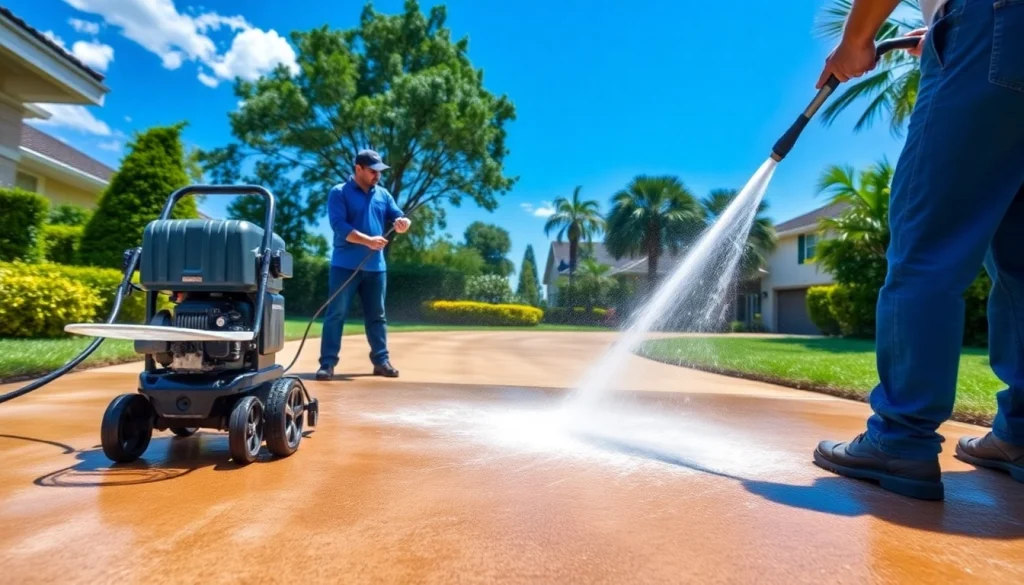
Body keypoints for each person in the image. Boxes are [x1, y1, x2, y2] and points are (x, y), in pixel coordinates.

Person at [812, 0, 1024, 501]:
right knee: (1020, 262)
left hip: (992, 23)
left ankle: (900, 440)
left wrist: (856, 39)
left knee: (927, 247)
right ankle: (1020, 435)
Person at [316, 149, 411, 381]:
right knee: (336, 314)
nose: (377, 175)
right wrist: (368, 241)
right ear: (358, 168)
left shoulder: (383, 194)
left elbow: (399, 216)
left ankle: (381, 362)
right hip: (344, 266)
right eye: (372, 171)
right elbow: (339, 225)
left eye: (380, 171)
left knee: (377, 316)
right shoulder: (339, 192)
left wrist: (403, 223)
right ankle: (327, 364)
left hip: (376, 268)